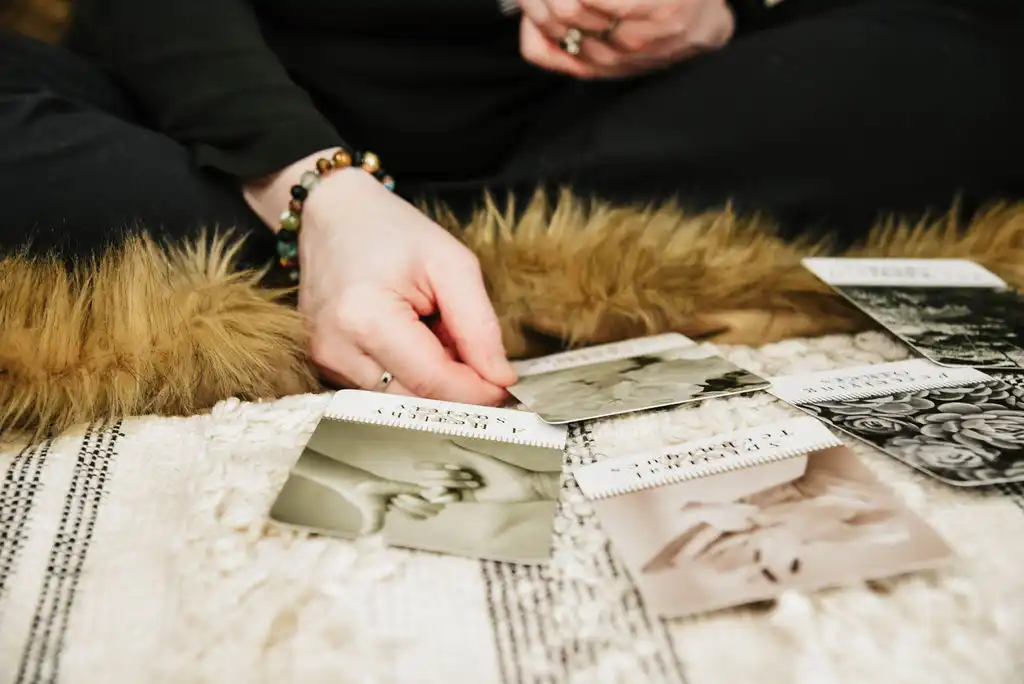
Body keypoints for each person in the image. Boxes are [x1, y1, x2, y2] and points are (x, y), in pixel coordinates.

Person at [1, 0, 1022, 410]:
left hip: (582, 149)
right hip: (211, 121)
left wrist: (719, 11)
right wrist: (315, 184)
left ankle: (424, 253)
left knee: (969, 73)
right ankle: (373, 250)